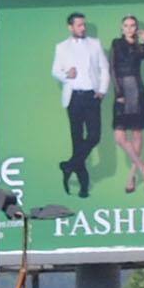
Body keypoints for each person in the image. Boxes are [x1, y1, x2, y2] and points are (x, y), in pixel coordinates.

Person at [51, 11, 107, 198]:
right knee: (77, 141)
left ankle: (69, 165)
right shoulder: (61, 47)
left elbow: (104, 68)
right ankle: (83, 187)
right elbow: (54, 71)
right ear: (70, 27)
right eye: (79, 25)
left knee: (94, 136)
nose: (83, 28)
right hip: (73, 98)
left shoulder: (95, 44)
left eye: (84, 25)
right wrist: (67, 74)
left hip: (92, 96)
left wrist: (102, 90)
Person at [109, 15, 144, 192]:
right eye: (126, 26)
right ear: (122, 28)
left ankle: (131, 177)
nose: (129, 28)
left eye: (132, 25)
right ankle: (143, 167)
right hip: (122, 91)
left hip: (137, 90)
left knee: (136, 135)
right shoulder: (116, 43)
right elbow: (112, 68)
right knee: (119, 138)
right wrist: (118, 92)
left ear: (136, 28)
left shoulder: (140, 48)